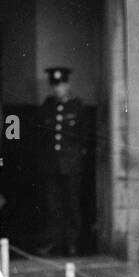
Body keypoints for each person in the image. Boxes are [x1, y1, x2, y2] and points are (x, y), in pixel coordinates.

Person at [36, 66, 88, 255]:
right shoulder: (47, 106)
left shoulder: (77, 107)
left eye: (61, 84)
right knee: (53, 206)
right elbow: (41, 137)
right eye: (55, 85)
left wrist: (78, 159)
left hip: (71, 165)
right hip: (51, 166)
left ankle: (73, 243)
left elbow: (84, 137)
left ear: (68, 85)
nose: (58, 88)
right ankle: (54, 242)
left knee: (72, 204)